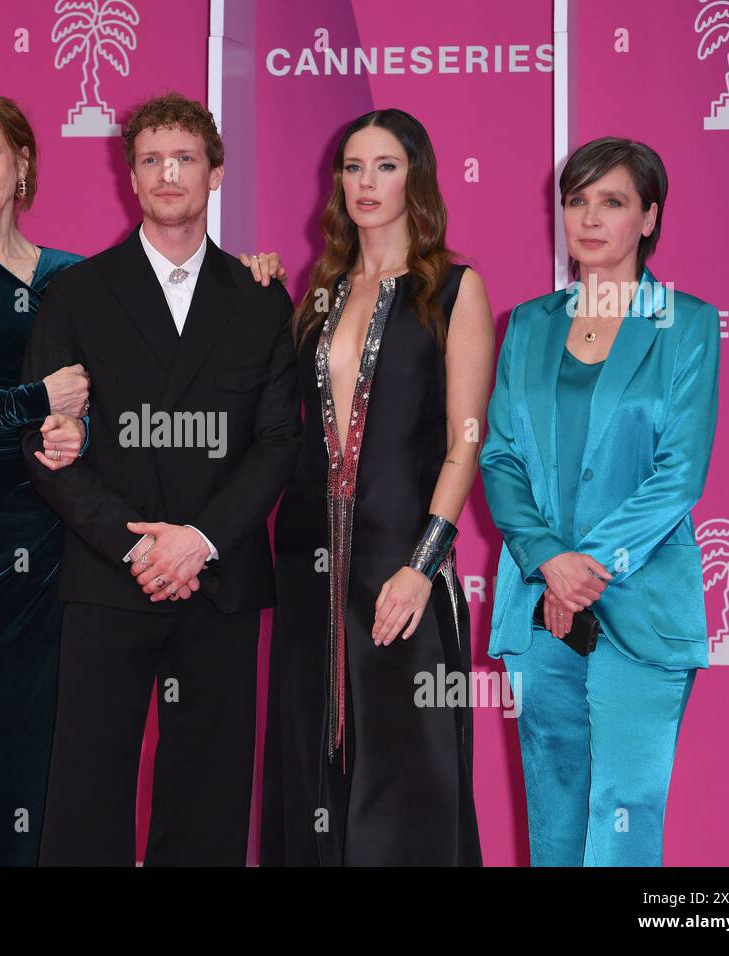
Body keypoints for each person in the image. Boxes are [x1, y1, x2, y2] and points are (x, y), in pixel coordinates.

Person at [0, 91, 286, 867]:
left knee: (54, 760)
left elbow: (122, 410)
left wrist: (177, 530)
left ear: (23, 163)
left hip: (57, 542)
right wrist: (44, 412)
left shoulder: (69, 275)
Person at [20, 92, 301, 866]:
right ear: (131, 177)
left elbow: (279, 441)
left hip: (220, 579)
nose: (167, 172)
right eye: (151, 159)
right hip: (110, 576)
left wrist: (200, 542)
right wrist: (135, 546)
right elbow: (44, 441)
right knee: (86, 792)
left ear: (215, 172)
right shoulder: (75, 295)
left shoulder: (261, 296)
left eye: (184, 157)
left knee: (209, 796)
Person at [480, 137, 720, 866]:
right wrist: (550, 561)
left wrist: (589, 566)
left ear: (648, 217)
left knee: (623, 809)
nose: (588, 218)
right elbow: (499, 457)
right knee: (554, 809)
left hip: (641, 603)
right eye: (576, 201)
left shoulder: (688, 324)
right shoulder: (528, 325)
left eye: (611, 201)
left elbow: (679, 473)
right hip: (542, 604)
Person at [262, 109, 491, 866]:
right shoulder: (317, 291)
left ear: (415, 177)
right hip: (308, 567)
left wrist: (424, 564)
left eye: (385, 166)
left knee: (408, 773)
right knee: (313, 769)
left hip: (401, 566)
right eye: (353, 167)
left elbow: (466, 440)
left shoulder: (454, 290)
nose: (366, 183)